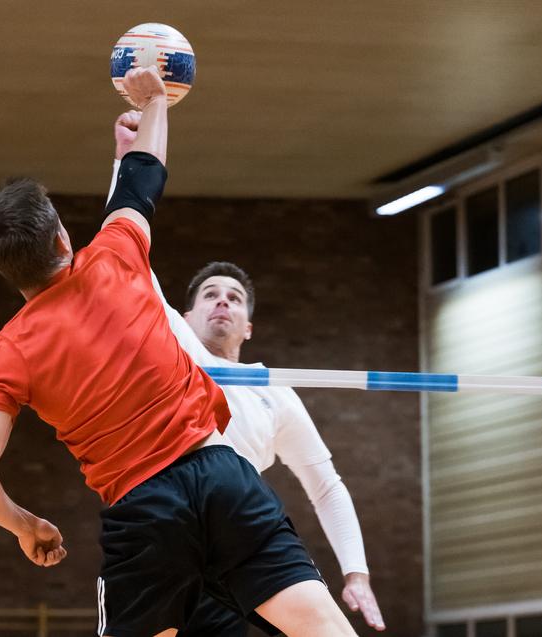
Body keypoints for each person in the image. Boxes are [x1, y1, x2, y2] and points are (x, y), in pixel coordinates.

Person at [0, 66, 359, 637]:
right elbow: (145, 175)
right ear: (64, 239)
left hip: (145, 511)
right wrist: (154, 103)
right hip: (223, 476)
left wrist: (26, 525)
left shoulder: (7, 353)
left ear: (3, 269)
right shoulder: (116, 254)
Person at [108, 115, 385, 636]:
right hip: (166, 520)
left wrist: (357, 574)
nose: (222, 302)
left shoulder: (273, 388)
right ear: (184, 315)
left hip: (235, 535)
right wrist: (125, 159)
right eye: (210, 294)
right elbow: (124, 258)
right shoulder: (174, 341)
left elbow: (325, 485)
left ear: (248, 326)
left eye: (234, 298)